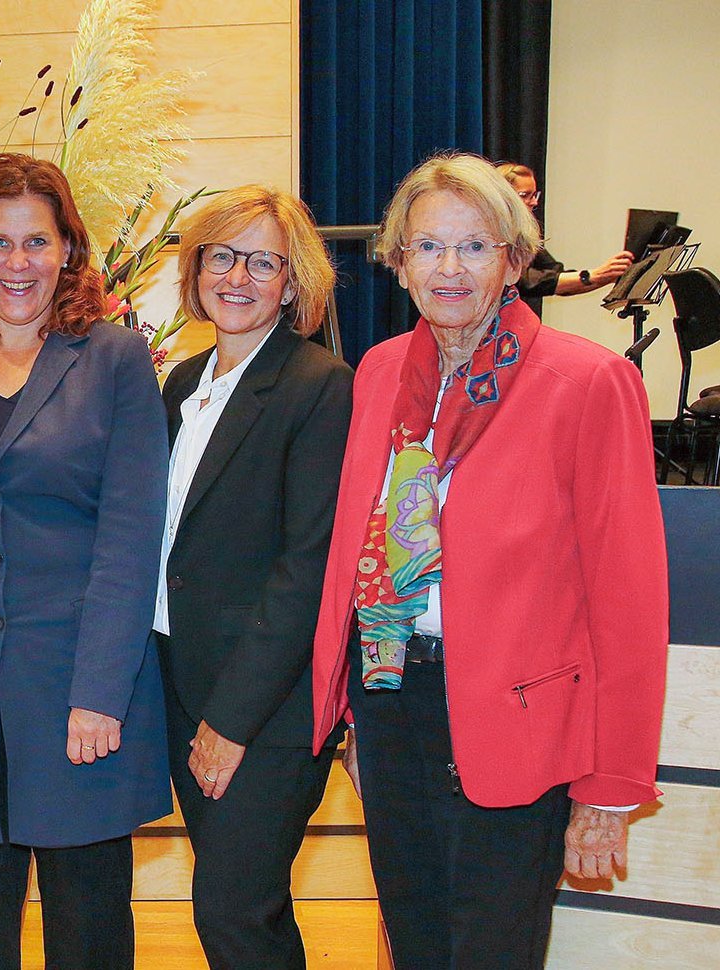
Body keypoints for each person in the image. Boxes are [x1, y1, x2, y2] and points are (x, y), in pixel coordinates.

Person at [309, 153, 668, 969]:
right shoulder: (379, 374)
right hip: (393, 705)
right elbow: (364, 553)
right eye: (428, 246)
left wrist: (610, 787)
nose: (450, 268)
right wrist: (360, 714)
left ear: (514, 261)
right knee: (414, 944)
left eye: (475, 246)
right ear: (398, 262)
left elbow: (630, 603)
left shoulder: (587, 382)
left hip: (519, 722)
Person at [0, 153, 171, 970]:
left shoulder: (115, 360)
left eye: (37, 242)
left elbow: (130, 538)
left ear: (67, 250)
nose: (18, 263)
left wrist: (100, 692)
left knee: (87, 936)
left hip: (76, 689)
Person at [155, 185, 352, 969]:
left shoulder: (318, 385)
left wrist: (231, 720)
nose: (238, 277)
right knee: (247, 911)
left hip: (266, 705)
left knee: (233, 910)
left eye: (263, 262)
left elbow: (308, 567)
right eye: (222, 257)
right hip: (183, 680)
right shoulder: (183, 382)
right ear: (197, 268)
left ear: (292, 282)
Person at [494, 161, 633, 315]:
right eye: (525, 195)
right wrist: (595, 275)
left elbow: (556, 275)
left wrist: (605, 276)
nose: (534, 202)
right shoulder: (492, 233)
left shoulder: (525, 233)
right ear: (503, 197)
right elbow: (527, 281)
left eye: (535, 195)